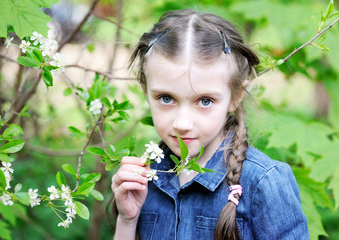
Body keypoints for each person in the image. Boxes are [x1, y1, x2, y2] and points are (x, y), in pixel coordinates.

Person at [110, 9, 309, 240]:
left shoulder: (263, 184)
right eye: (166, 98)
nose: (182, 123)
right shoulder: (145, 179)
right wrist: (127, 220)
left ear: (235, 96)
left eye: (205, 101)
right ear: (146, 92)